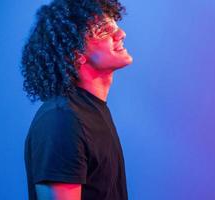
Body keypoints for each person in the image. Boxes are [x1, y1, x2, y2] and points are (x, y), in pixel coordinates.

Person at [20, 0, 133, 199]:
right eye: (104, 31)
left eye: (115, 24)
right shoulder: (60, 121)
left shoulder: (91, 110)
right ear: (76, 54)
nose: (121, 34)